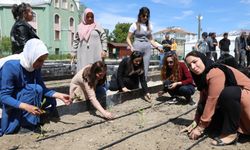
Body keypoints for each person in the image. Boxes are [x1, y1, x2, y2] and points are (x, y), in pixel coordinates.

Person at [0, 39, 72, 136]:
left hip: (17, 94)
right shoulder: (11, 66)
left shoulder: (33, 65)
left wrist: (59, 95)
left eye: (43, 61)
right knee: (31, 91)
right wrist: (26, 107)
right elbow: (4, 96)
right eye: (39, 60)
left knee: (38, 90)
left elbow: (42, 88)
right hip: (5, 97)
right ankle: (22, 125)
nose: (41, 64)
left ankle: (33, 121)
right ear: (31, 56)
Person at [183, 50, 250, 146]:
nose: (193, 67)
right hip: (237, 106)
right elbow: (202, 101)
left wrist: (200, 127)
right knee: (205, 108)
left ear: (202, 58)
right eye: (189, 65)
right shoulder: (203, 76)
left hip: (247, 102)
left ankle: (230, 133)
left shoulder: (215, 71)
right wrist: (196, 121)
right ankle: (235, 127)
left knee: (229, 93)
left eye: (194, 62)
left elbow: (212, 99)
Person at [127, 7, 162, 76]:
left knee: (145, 67)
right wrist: (131, 46)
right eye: (144, 15)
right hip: (137, 47)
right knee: (136, 66)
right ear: (140, 15)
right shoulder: (134, 25)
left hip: (147, 49)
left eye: (147, 16)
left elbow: (151, 40)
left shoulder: (150, 26)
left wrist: (157, 47)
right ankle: (135, 84)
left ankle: (144, 84)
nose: (145, 17)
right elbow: (128, 38)